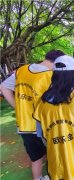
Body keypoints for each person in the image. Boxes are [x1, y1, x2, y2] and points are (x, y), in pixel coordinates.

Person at [0, 50, 65, 180]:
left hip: (24, 125)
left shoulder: (21, 70)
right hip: (44, 125)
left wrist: (18, 107)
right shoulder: (51, 75)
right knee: (54, 153)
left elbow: (3, 87)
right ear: (57, 62)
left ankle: (38, 178)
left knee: (36, 157)